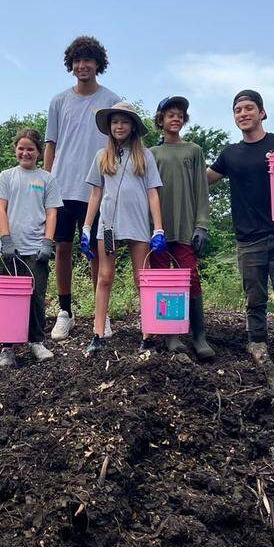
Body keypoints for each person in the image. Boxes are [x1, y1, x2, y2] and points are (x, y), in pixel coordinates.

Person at [207, 89, 274, 368]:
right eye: (238, 110)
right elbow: (203, 180)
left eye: (249, 108)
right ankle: (258, 349)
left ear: (262, 113)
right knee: (254, 300)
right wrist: (178, 160)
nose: (243, 113)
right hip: (249, 240)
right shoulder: (230, 154)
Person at [43, 35, 121, 341]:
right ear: (70, 65)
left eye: (88, 60)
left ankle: (101, 314)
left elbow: (119, 146)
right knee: (62, 248)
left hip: (98, 189)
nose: (82, 66)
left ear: (98, 64)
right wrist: (45, 184)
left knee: (97, 251)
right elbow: (51, 145)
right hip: (62, 187)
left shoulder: (112, 100)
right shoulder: (59, 101)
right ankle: (65, 311)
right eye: (77, 60)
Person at [81, 102, 167, 356]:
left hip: (137, 222)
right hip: (108, 224)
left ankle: (148, 334)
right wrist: (86, 227)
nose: (119, 126)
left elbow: (153, 193)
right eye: (115, 121)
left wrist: (158, 228)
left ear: (133, 126)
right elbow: (96, 194)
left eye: (125, 121)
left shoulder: (145, 155)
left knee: (143, 278)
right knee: (104, 276)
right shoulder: (101, 156)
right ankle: (98, 334)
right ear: (109, 126)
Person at [0, 127, 63, 368]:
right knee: (8, 300)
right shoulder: (7, 176)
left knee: (36, 296)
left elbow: (52, 212)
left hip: (36, 249)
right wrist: (6, 239)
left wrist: (48, 242)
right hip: (11, 250)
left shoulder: (47, 179)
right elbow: (0, 208)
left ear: (39, 152)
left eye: (30, 149)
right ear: (15, 150)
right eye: (21, 148)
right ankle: (7, 347)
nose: (25, 153)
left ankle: (36, 341)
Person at [149, 96, 214, 360]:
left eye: (179, 115)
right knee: (162, 278)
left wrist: (202, 225)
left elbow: (202, 188)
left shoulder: (194, 151)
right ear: (161, 120)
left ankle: (199, 335)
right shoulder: (152, 154)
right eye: (170, 115)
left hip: (186, 225)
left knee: (190, 277)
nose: (175, 119)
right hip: (159, 228)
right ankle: (171, 333)